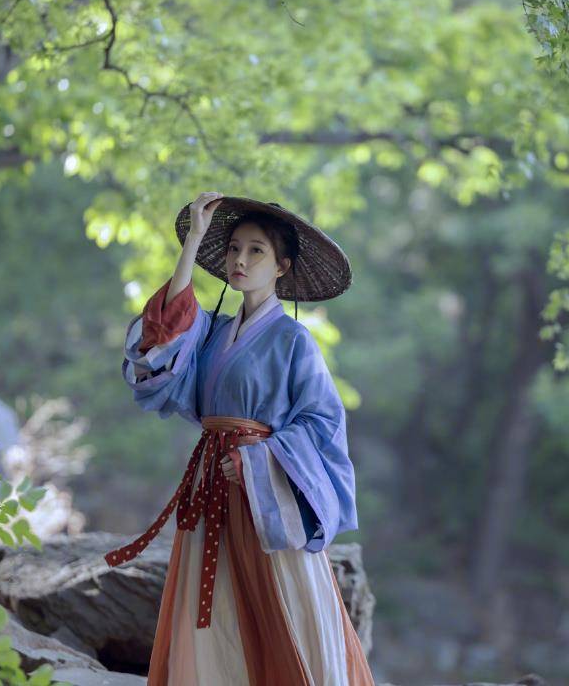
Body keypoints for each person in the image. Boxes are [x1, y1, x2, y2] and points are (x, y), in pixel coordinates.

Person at [104, 191, 375, 686]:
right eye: (232, 249)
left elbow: (322, 421)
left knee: (278, 600)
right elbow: (164, 328)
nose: (239, 260)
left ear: (281, 267)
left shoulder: (294, 341)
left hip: (266, 490)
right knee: (209, 607)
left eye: (256, 251)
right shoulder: (210, 334)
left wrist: (261, 460)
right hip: (211, 480)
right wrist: (193, 243)